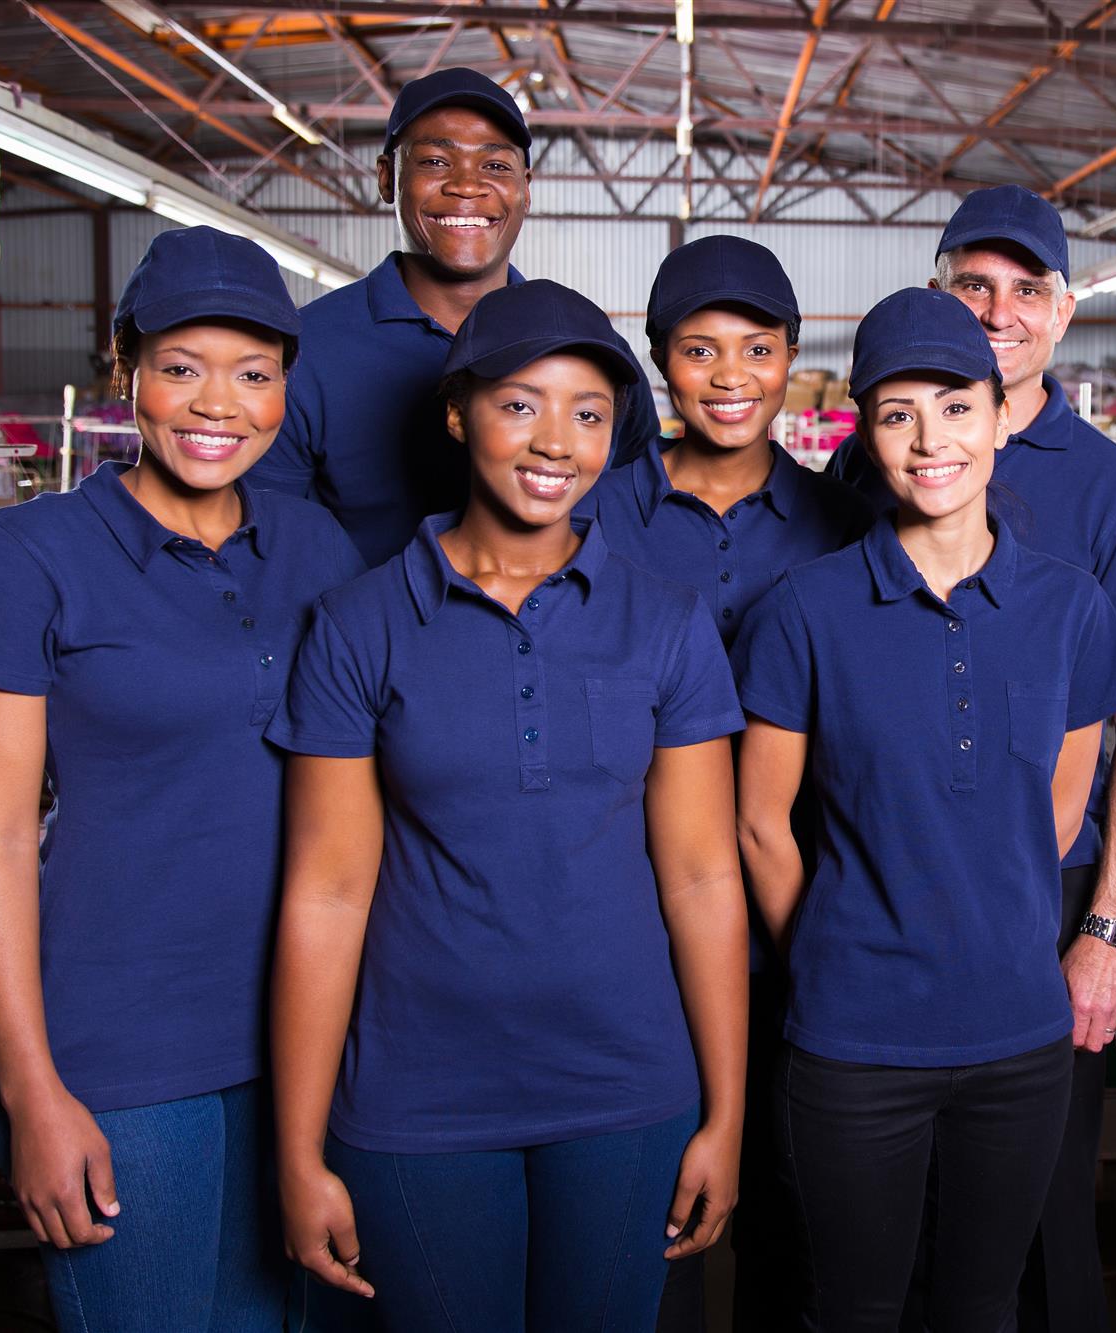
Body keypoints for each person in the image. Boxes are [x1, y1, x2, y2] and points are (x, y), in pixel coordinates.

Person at [267, 280, 748, 1330]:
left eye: (587, 411)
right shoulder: (361, 623)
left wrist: (726, 1113)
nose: (555, 441)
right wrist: (298, 1149)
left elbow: (706, 877)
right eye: (520, 403)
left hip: (626, 1088)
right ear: (457, 413)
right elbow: (327, 893)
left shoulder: (665, 624)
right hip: (416, 1094)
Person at [0, 226, 365, 1330]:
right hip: (122, 1048)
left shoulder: (322, 550)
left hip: (321, 1037)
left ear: (286, 389)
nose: (218, 405)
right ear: (124, 369)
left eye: (254, 375)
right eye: (181, 368)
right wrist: (30, 1082)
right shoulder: (34, 553)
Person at [733, 287, 1116, 1332]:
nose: (931, 440)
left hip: (1016, 1038)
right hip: (851, 1041)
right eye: (897, 412)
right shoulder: (804, 612)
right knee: (855, 1307)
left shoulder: (1069, 609)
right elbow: (759, 823)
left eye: (956, 407)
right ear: (864, 435)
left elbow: (1057, 812)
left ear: (1003, 417)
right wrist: (826, 950)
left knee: (981, 1304)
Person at [828, 185, 1116, 1332]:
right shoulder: (866, 467)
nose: (1000, 310)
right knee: (870, 1233)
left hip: (1045, 900)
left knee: (1031, 1222)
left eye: (1026, 289)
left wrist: (1108, 926)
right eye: (973, 285)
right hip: (879, 900)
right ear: (937, 293)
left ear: (1064, 310)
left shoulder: (1109, 486)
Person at [579, 234, 867, 1332]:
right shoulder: (596, 514)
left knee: (797, 1216)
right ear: (660, 364)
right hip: (638, 922)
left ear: (792, 356)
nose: (731, 375)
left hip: (802, 915)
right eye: (700, 350)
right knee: (648, 1214)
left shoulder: (841, 523)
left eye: (757, 348)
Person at [248, 67, 659, 567]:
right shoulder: (304, 350)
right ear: (386, 178)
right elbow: (263, 549)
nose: (467, 186)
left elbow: (638, 511)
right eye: (436, 161)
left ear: (526, 189)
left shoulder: (590, 351)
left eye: (496, 167)